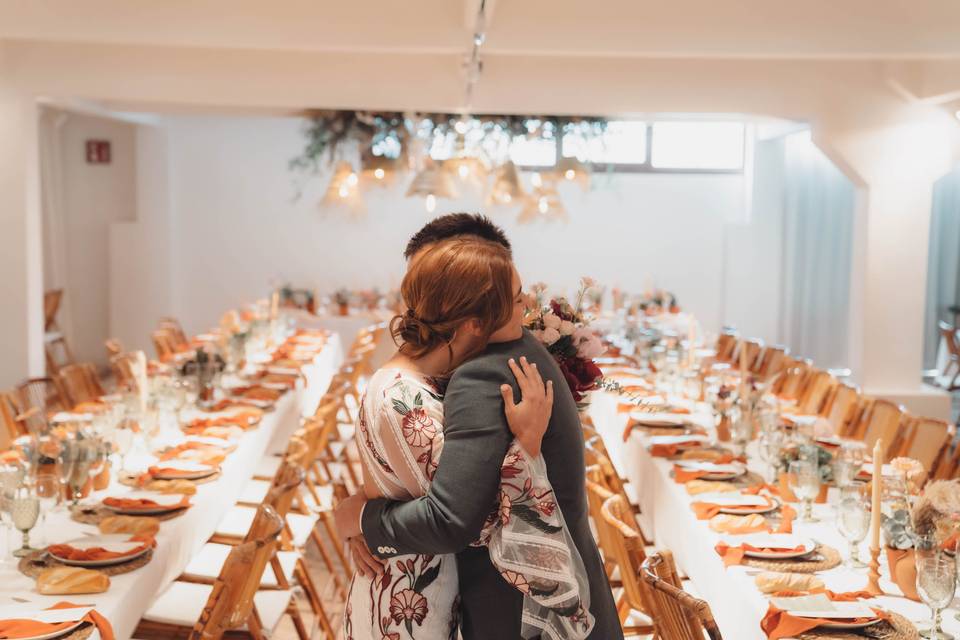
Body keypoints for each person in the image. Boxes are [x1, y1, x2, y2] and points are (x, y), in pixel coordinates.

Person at [335, 214, 622, 639]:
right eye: (516, 297)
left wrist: (361, 519)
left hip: (523, 606)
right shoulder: (491, 365)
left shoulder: (484, 373)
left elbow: (454, 520)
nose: (526, 307)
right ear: (473, 318)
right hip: (533, 595)